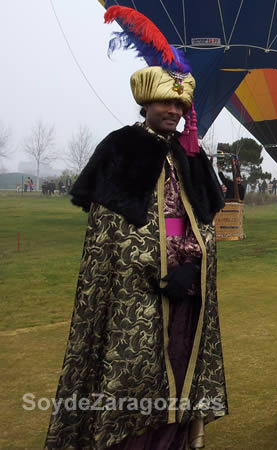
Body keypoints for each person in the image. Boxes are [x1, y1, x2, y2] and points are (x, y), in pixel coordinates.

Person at [45, 7, 228, 449]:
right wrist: (159, 270)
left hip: (188, 284)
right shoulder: (121, 148)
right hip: (135, 289)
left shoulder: (189, 153)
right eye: (165, 102)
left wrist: (190, 262)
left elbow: (203, 216)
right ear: (145, 104)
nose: (173, 111)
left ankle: (175, 440)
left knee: (180, 365)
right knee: (135, 372)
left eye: (180, 104)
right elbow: (110, 232)